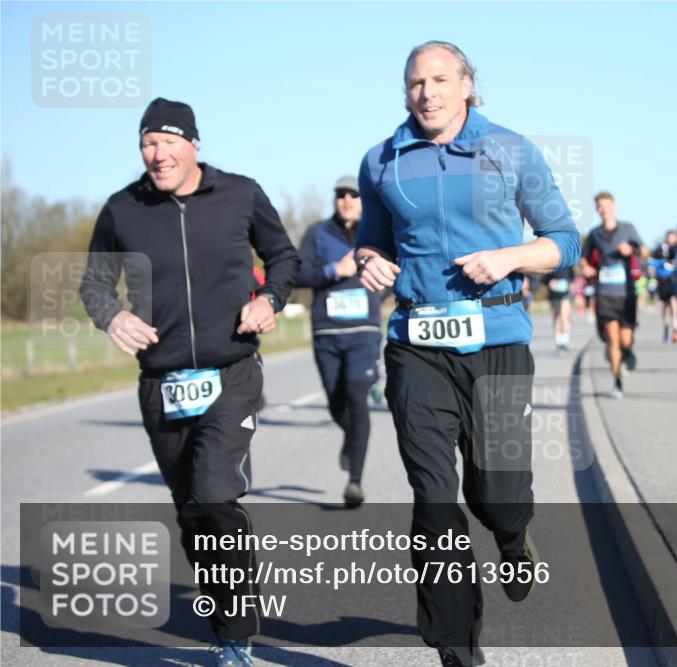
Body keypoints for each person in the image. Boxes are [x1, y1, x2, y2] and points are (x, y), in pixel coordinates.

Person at [353, 41, 580, 667]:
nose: (427, 91)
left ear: (467, 85)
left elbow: (565, 240)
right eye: (415, 82)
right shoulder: (382, 161)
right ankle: (457, 651)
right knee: (433, 499)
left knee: (500, 494)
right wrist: (369, 263)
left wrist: (511, 257)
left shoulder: (509, 149)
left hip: (498, 342)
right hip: (416, 347)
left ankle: (512, 539)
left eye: (439, 79)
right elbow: (369, 245)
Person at [79, 98, 300, 666]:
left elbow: (283, 257)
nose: (158, 154)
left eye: (168, 142)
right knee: (191, 513)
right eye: (148, 143)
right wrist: (112, 315)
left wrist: (270, 300)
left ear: (193, 145)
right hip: (161, 383)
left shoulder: (240, 194)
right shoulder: (122, 209)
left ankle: (234, 636)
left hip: (232, 372)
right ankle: (226, 604)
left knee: (214, 496)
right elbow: (95, 284)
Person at [296, 175, 382, 507]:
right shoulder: (317, 232)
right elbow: (299, 274)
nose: (346, 199)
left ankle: (355, 482)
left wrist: (377, 293)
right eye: (340, 195)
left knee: (357, 396)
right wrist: (335, 270)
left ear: (363, 200)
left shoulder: (374, 233)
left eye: (353, 194)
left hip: (364, 332)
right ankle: (351, 435)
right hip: (327, 332)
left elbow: (394, 267)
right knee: (336, 401)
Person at [580, 191, 647, 399]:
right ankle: (617, 381)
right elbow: (583, 258)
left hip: (626, 294)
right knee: (612, 339)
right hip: (605, 293)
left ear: (614, 206)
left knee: (625, 340)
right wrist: (585, 268)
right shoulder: (594, 234)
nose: (603, 209)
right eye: (599, 206)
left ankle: (627, 352)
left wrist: (631, 250)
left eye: (606, 205)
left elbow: (645, 251)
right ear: (597, 210)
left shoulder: (628, 229)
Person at [650, 231, 677, 342]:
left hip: (673, 279)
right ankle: (666, 326)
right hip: (662, 281)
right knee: (665, 307)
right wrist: (652, 277)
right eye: (669, 238)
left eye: (673, 238)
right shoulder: (660, 249)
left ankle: (675, 325)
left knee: (674, 301)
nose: (671, 241)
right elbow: (651, 263)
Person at [544, 266, 575, 354]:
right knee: (557, 317)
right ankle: (558, 342)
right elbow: (544, 278)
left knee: (564, 316)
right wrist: (549, 282)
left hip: (566, 293)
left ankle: (565, 342)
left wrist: (572, 284)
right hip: (554, 294)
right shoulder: (551, 264)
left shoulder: (568, 264)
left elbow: (573, 276)